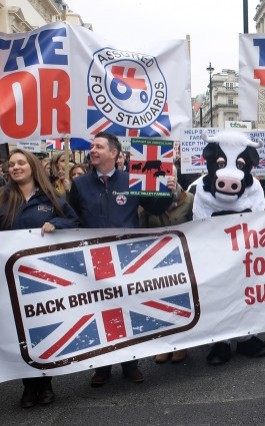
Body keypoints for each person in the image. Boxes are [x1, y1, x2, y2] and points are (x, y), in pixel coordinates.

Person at [68, 132, 177, 387]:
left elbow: (156, 209)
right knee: (97, 313)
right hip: (92, 260)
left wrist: (167, 191)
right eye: (92, 146)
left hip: (126, 260)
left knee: (127, 311)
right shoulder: (81, 184)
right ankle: (102, 368)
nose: (92, 150)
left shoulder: (132, 179)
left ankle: (131, 364)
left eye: (98, 146)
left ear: (114, 153)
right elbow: (72, 216)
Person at [0, 149, 79, 408]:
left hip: (42, 279)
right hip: (11, 279)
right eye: (11, 164)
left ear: (32, 166)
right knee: (16, 332)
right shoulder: (3, 197)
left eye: (21, 163)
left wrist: (56, 224)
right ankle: (27, 386)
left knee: (41, 331)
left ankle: (44, 384)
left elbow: (73, 219)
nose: (15, 167)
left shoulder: (49, 196)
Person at [138, 166, 193, 365]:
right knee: (159, 303)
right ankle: (163, 344)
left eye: (170, 176)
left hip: (182, 259)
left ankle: (181, 345)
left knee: (181, 302)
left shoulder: (189, 200)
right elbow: (140, 232)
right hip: (156, 260)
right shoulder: (146, 204)